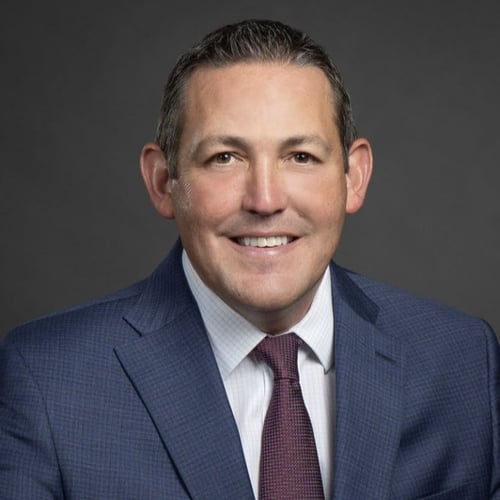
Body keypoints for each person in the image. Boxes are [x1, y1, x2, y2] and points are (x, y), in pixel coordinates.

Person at [0, 19, 498, 500]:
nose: (265, 200)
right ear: (163, 181)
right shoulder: (46, 382)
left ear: (354, 177)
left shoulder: (463, 361)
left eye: (300, 157)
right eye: (225, 158)